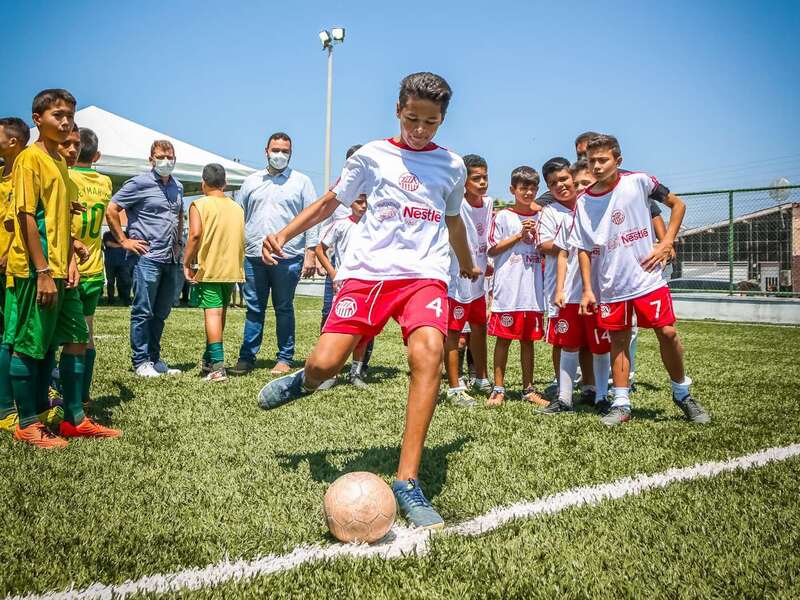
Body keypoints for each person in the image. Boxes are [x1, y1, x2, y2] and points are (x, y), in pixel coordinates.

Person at [258, 72, 479, 529]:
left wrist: (468, 261)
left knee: (429, 355)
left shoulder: (452, 166)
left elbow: (454, 221)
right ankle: (306, 380)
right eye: (413, 118)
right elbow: (329, 203)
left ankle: (407, 480)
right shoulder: (371, 156)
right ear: (398, 110)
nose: (420, 129)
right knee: (325, 364)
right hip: (367, 275)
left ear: (443, 120)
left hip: (424, 275)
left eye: (431, 122)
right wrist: (283, 232)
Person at [5, 89, 120, 447]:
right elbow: (26, 217)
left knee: (75, 340)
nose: (66, 120)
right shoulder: (29, 159)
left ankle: (74, 418)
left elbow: (57, 220)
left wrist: (70, 256)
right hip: (34, 271)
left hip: (63, 271)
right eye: (57, 114)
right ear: (38, 119)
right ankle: (27, 423)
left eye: (69, 114)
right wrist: (42, 271)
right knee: (29, 344)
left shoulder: (59, 161)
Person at [573, 134, 711, 426]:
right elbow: (584, 248)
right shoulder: (583, 201)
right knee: (619, 340)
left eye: (602, 160)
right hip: (612, 284)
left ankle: (682, 393)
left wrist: (666, 242)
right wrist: (587, 289)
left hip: (648, 279)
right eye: (591, 161)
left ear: (617, 161)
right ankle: (621, 403)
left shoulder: (639, 181)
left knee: (668, 333)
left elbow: (678, 205)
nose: (596, 166)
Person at [230, 132, 318, 376]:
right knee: (254, 308)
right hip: (254, 256)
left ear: (291, 154)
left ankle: (284, 357)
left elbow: (311, 219)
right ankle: (247, 357)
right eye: (275, 150)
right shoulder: (251, 181)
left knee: (284, 307)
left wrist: (310, 253)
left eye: (285, 151)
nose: (280, 155)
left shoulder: (301, 182)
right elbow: (239, 216)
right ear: (266, 151)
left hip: (287, 256)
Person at [536, 157, 611, 415]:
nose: (562, 185)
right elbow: (553, 248)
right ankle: (563, 393)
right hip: (565, 288)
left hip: (597, 289)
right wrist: (560, 287)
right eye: (553, 183)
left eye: (566, 179)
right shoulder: (552, 212)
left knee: (596, 342)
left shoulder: (595, 207)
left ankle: (596, 392)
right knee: (564, 340)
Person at [107, 140, 184, 377]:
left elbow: (179, 215)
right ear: (151, 159)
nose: (166, 161)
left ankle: (154, 358)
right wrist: (124, 241)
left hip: (170, 258)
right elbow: (111, 209)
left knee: (161, 311)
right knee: (143, 310)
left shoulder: (178, 186)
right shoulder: (139, 183)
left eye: (170, 156)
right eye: (161, 157)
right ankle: (140, 360)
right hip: (146, 257)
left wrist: (180, 243)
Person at [486, 166, 546, 407]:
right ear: (513, 189)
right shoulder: (503, 217)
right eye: (523, 188)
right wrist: (519, 236)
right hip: (508, 291)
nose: (528, 192)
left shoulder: (543, 216)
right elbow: (491, 248)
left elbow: (547, 248)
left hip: (532, 292)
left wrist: (537, 238)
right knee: (503, 339)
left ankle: (528, 389)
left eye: (533, 188)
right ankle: (498, 389)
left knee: (528, 341)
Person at [183, 164, 245, 382]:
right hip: (232, 269)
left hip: (209, 268)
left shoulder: (198, 204)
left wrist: (186, 262)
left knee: (212, 314)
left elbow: (195, 235)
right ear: (225, 184)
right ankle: (210, 360)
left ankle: (218, 367)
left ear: (203, 183)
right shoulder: (237, 207)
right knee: (221, 315)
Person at [66, 127, 113, 409]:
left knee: (59, 339)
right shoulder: (105, 182)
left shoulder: (66, 176)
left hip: (68, 266)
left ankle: (60, 393)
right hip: (95, 267)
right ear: (97, 155)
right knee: (88, 333)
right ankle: (84, 396)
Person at [443, 153, 493, 407]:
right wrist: (463, 262)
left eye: (485, 177)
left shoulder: (489, 203)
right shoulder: (455, 205)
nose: (482, 182)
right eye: (476, 178)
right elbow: (453, 235)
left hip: (479, 280)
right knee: (453, 334)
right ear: (464, 181)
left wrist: (488, 263)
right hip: (457, 278)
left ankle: (481, 378)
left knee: (479, 329)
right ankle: (454, 387)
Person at [314, 194, 369, 389]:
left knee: (362, 330)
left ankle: (356, 372)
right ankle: (331, 373)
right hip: (343, 283)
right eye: (358, 202)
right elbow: (320, 249)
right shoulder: (340, 224)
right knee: (337, 328)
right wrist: (333, 272)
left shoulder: (374, 225)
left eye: (365, 202)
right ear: (350, 203)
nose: (363, 206)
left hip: (366, 283)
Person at [0, 117, 30, 434]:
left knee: (11, 339)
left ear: (13, 142)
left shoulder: (24, 173)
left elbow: (19, 223)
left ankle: (9, 407)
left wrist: (8, 255)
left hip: (12, 269)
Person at [102, 231, 131, 305]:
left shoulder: (125, 234)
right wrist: (122, 245)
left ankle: (125, 299)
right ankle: (111, 300)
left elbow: (129, 244)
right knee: (110, 282)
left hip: (123, 263)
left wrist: (123, 245)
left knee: (125, 282)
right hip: (110, 263)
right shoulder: (107, 234)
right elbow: (108, 244)